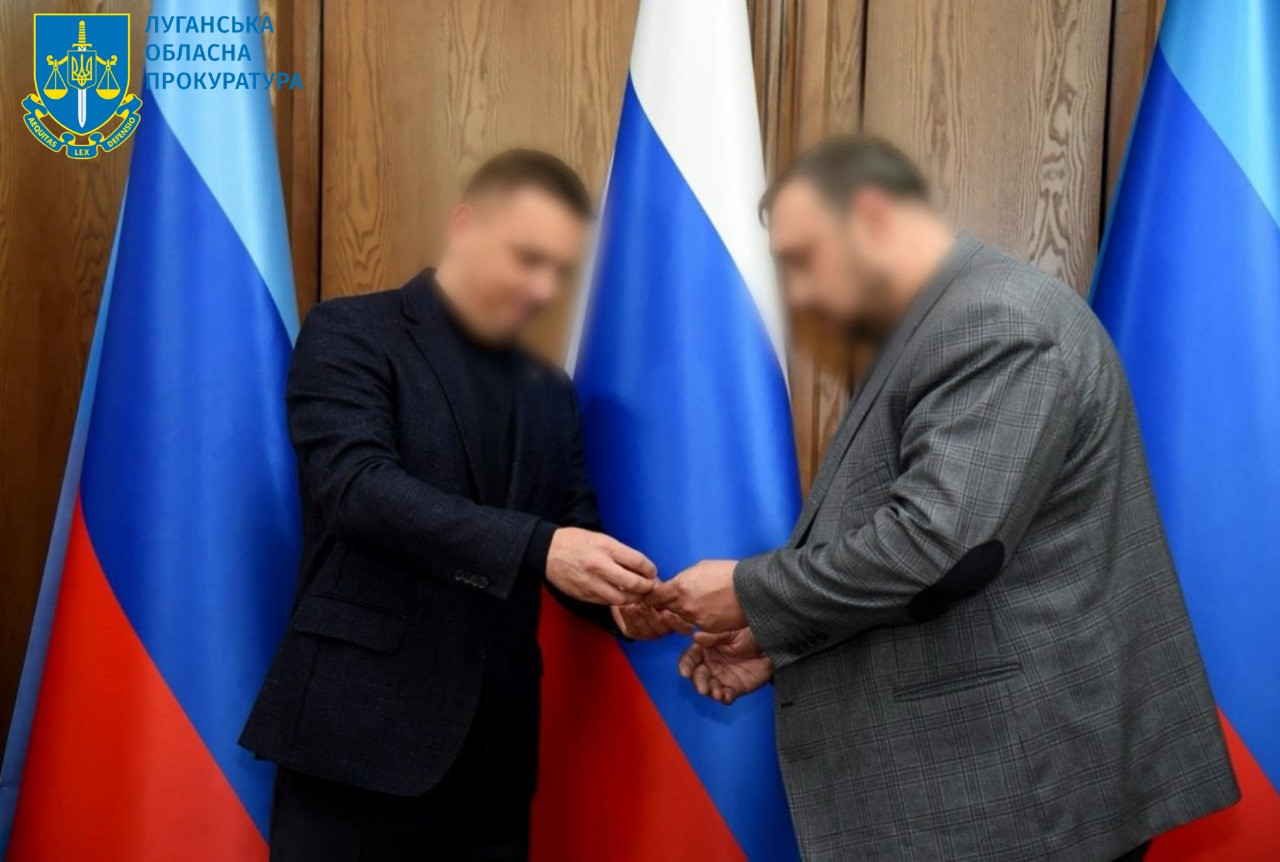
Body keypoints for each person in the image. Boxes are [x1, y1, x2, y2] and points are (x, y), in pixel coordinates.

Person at [650, 135, 1239, 861]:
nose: (797, 294)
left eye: (803, 260)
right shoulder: (937, 322)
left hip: (1020, 794)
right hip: (997, 782)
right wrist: (783, 639)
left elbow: (936, 551)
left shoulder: (993, 320)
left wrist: (749, 590)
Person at [240, 149, 686, 861]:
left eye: (560, 271)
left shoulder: (549, 388)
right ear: (465, 226)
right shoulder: (351, 332)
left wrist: (624, 603)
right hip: (359, 747)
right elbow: (357, 489)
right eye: (528, 258)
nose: (543, 288)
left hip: (494, 768)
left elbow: (569, 529)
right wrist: (542, 547)